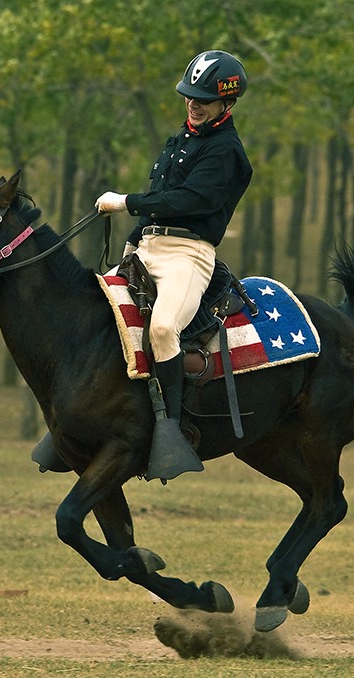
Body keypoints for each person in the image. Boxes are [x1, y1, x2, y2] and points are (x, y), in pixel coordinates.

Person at [94, 49, 253, 481]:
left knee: (163, 329)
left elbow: (187, 202)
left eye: (203, 98)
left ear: (227, 103)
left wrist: (127, 202)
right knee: (94, 310)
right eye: (189, 95)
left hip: (188, 255)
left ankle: (169, 430)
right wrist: (129, 248)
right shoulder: (179, 140)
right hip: (146, 247)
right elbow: (156, 207)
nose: (193, 103)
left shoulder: (227, 153)